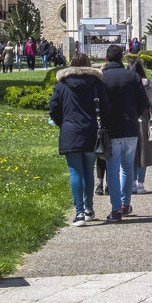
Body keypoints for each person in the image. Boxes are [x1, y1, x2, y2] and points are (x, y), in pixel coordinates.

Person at [49, 53, 110, 226]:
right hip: (91, 130)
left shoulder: (61, 85)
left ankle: (79, 212)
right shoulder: (97, 84)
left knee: (75, 171)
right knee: (88, 170)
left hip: (70, 130)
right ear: (89, 65)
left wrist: (64, 123)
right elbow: (106, 107)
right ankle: (89, 208)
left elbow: (53, 109)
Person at [100, 44, 148, 222]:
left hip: (110, 128)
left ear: (106, 58)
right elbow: (143, 102)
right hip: (130, 127)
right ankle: (125, 204)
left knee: (112, 168)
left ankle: (116, 210)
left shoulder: (102, 78)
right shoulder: (133, 76)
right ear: (122, 58)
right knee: (127, 167)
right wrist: (133, 114)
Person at [131, 57, 152, 193]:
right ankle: (141, 184)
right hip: (145, 118)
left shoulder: (129, 83)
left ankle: (133, 182)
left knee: (132, 153)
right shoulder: (148, 84)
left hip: (131, 119)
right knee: (144, 152)